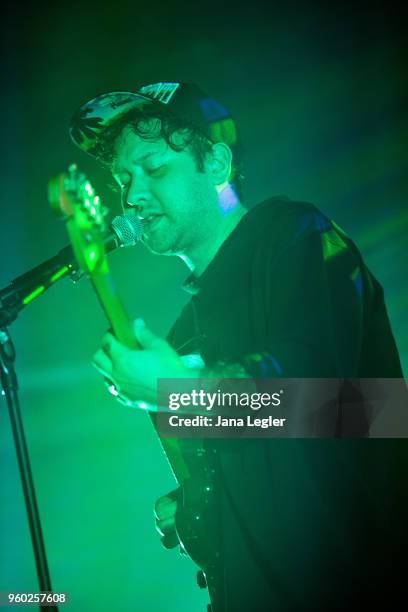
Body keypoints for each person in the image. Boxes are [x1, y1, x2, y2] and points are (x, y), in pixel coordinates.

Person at [70, 82, 405, 611]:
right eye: (123, 179)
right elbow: (257, 451)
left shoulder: (294, 233)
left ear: (218, 164)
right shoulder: (181, 334)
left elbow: (331, 405)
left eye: (154, 168)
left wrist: (177, 391)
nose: (131, 196)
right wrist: (196, 506)